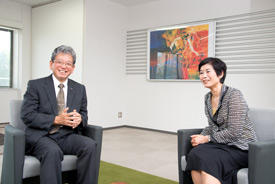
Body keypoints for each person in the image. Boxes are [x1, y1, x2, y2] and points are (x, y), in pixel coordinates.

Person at [21, 45, 96, 184]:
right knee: (52, 151)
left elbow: (84, 114)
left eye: (68, 63)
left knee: (90, 145)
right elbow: (27, 115)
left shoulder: (80, 89)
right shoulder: (35, 85)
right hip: (41, 136)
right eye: (59, 62)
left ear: (73, 68)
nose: (64, 66)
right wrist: (56, 119)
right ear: (51, 64)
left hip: (66, 136)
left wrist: (80, 119)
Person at [185, 57, 257, 184]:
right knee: (195, 153)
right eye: (201, 73)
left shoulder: (234, 95)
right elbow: (212, 126)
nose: (204, 76)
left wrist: (206, 139)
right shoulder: (207, 98)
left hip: (240, 148)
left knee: (209, 159)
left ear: (220, 73)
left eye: (208, 71)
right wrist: (201, 136)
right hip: (222, 145)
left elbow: (234, 132)